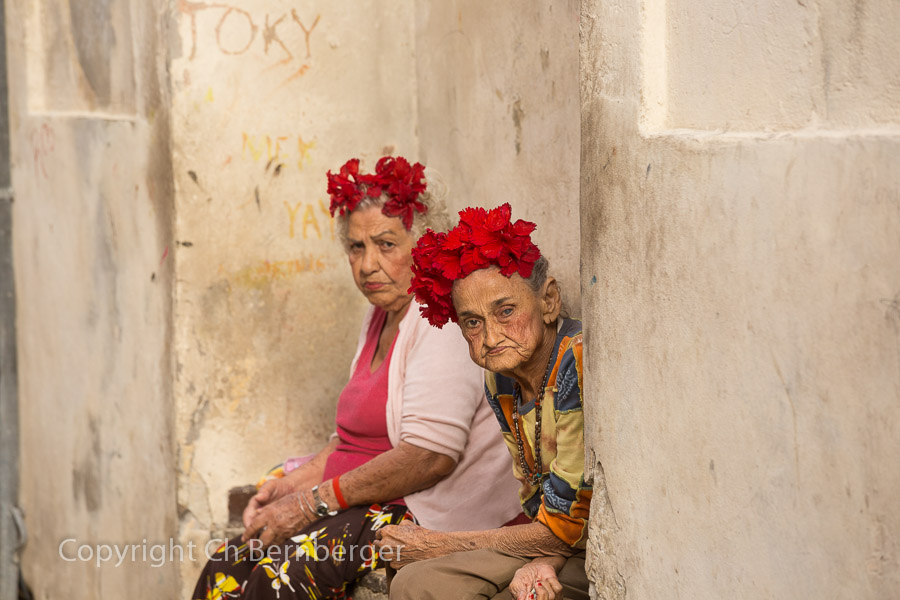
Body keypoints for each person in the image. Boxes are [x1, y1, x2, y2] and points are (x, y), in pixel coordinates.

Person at [191, 159, 522, 600]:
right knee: (227, 564)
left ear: (422, 244)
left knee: (281, 575)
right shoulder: (380, 316)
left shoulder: (436, 320)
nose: (368, 264)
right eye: (356, 247)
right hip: (373, 496)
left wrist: (311, 501)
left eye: (387, 244)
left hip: (422, 508)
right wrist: (294, 483)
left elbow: (429, 457)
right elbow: (352, 437)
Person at [377, 203, 591, 600]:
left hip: (592, 551)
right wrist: (542, 558)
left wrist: (435, 544)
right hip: (554, 544)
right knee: (415, 582)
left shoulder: (573, 363)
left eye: (506, 311)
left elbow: (567, 529)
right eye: (473, 322)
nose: (491, 338)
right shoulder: (501, 378)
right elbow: (538, 506)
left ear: (549, 301)